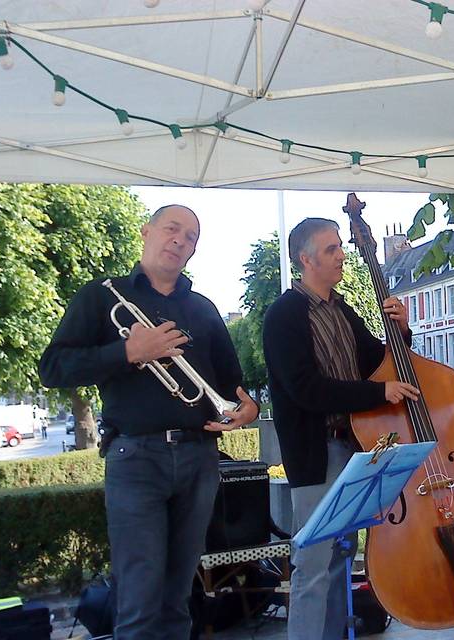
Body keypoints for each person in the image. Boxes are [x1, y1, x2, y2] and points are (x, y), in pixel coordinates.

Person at [39, 204, 259, 640]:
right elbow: (53, 369)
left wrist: (246, 410)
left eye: (191, 237)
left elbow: (234, 388)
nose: (180, 240)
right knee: (139, 603)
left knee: (178, 600)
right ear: (146, 232)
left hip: (199, 458)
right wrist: (128, 352)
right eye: (171, 229)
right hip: (135, 457)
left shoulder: (203, 308)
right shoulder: (101, 297)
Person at [262, 217, 419, 640]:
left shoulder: (342, 309)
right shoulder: (284, 315)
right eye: (331, 249)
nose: (342, 255)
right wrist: (377, 393)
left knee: (340, 561)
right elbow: (305, 389)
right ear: (305, 258)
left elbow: (376, 363)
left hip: (354, 449)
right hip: (317, 453)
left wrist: (401, 331)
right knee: (312, 563)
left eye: (340, 247)